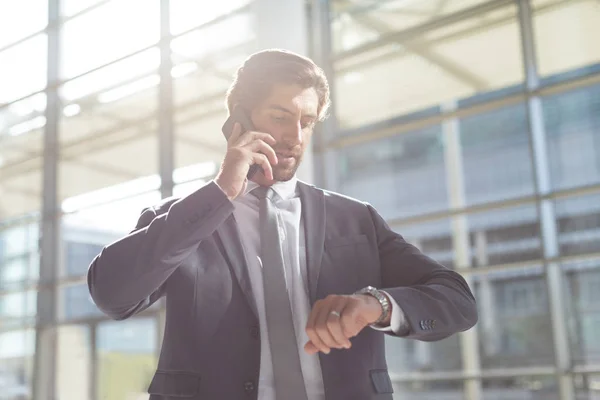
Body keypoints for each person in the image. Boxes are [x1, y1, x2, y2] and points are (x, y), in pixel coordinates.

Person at [87, 49, 478, 400]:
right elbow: (112, 293)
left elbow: (457, 300)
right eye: (280, 117)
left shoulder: (356, 218)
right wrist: (222, 190)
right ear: (239, 116)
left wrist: (373, 305)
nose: (294, 137)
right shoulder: (180, 219)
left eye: (307, 122)